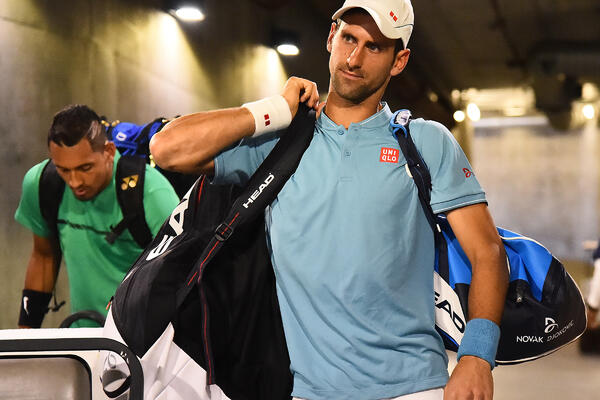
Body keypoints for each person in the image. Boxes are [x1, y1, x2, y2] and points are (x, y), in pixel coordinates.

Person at [150, 0, 509, 399]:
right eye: (349, 38)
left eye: (374, 47)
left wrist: (477, 357)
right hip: (309, 390)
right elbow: (167, 149)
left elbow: (488, 251)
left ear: (399, 61)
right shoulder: (280, 141)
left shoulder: (425, 142)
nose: (354, 58)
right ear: (331, 37)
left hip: (414, 387)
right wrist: (273, 109)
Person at [15, 104, 179, 328]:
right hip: (82, 336)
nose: (75, 182)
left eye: (85, 168)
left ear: (109, 151)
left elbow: (182, 273)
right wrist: (26, 334)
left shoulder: (150, 191)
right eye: (64, 169)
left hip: (141, 338)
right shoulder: (41, 183)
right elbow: (44, 256)